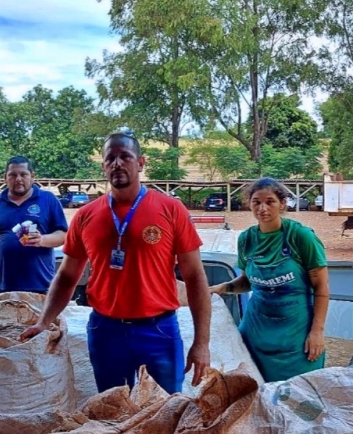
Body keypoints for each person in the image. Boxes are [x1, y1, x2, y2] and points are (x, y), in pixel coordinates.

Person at [20, 130, 211, 395]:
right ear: (103, 166)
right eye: (111, 158)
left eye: (125, 157)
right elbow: (67, 276)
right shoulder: (86, 215)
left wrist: (202, 342)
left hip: (159, 331)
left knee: (165, 412)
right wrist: (44, 321)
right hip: (106, 330)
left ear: (141, 163)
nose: (117, 163)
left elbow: (195, 277)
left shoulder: (170, 209)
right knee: (112, 412)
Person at [210, 177, 329, 382]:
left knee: (299, 400)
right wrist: (221, 288)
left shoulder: (300, 237)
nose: (262, 208)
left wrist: (317, 332)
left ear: (282, 204)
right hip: (255, 333)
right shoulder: (246, 239)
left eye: (270, 201)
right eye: (256, 202)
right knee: (254, 397)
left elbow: (321, 287)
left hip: (295, 338)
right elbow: (247, 282)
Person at [0, 156, 68, 296]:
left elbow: (63, 235)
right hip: (5, 289)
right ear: (5, 177)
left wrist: (41, 240)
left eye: (23, 174)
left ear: (32, 176)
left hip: (44, 288)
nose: (18, 179)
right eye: (12, 175)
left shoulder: (48, 200)